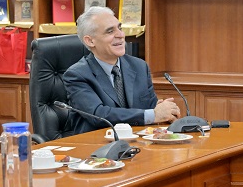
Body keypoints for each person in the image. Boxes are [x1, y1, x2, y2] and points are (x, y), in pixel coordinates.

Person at [63, 7, 181, 135]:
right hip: (96, 145)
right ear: (90, 41)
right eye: (110, 31)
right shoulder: (77, 75)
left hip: (137, 143)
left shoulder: (139, 67)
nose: (120, 35)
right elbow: (99, 115)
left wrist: (166, 111)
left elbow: (151, 108)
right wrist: (153, 114)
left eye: (120, 28)